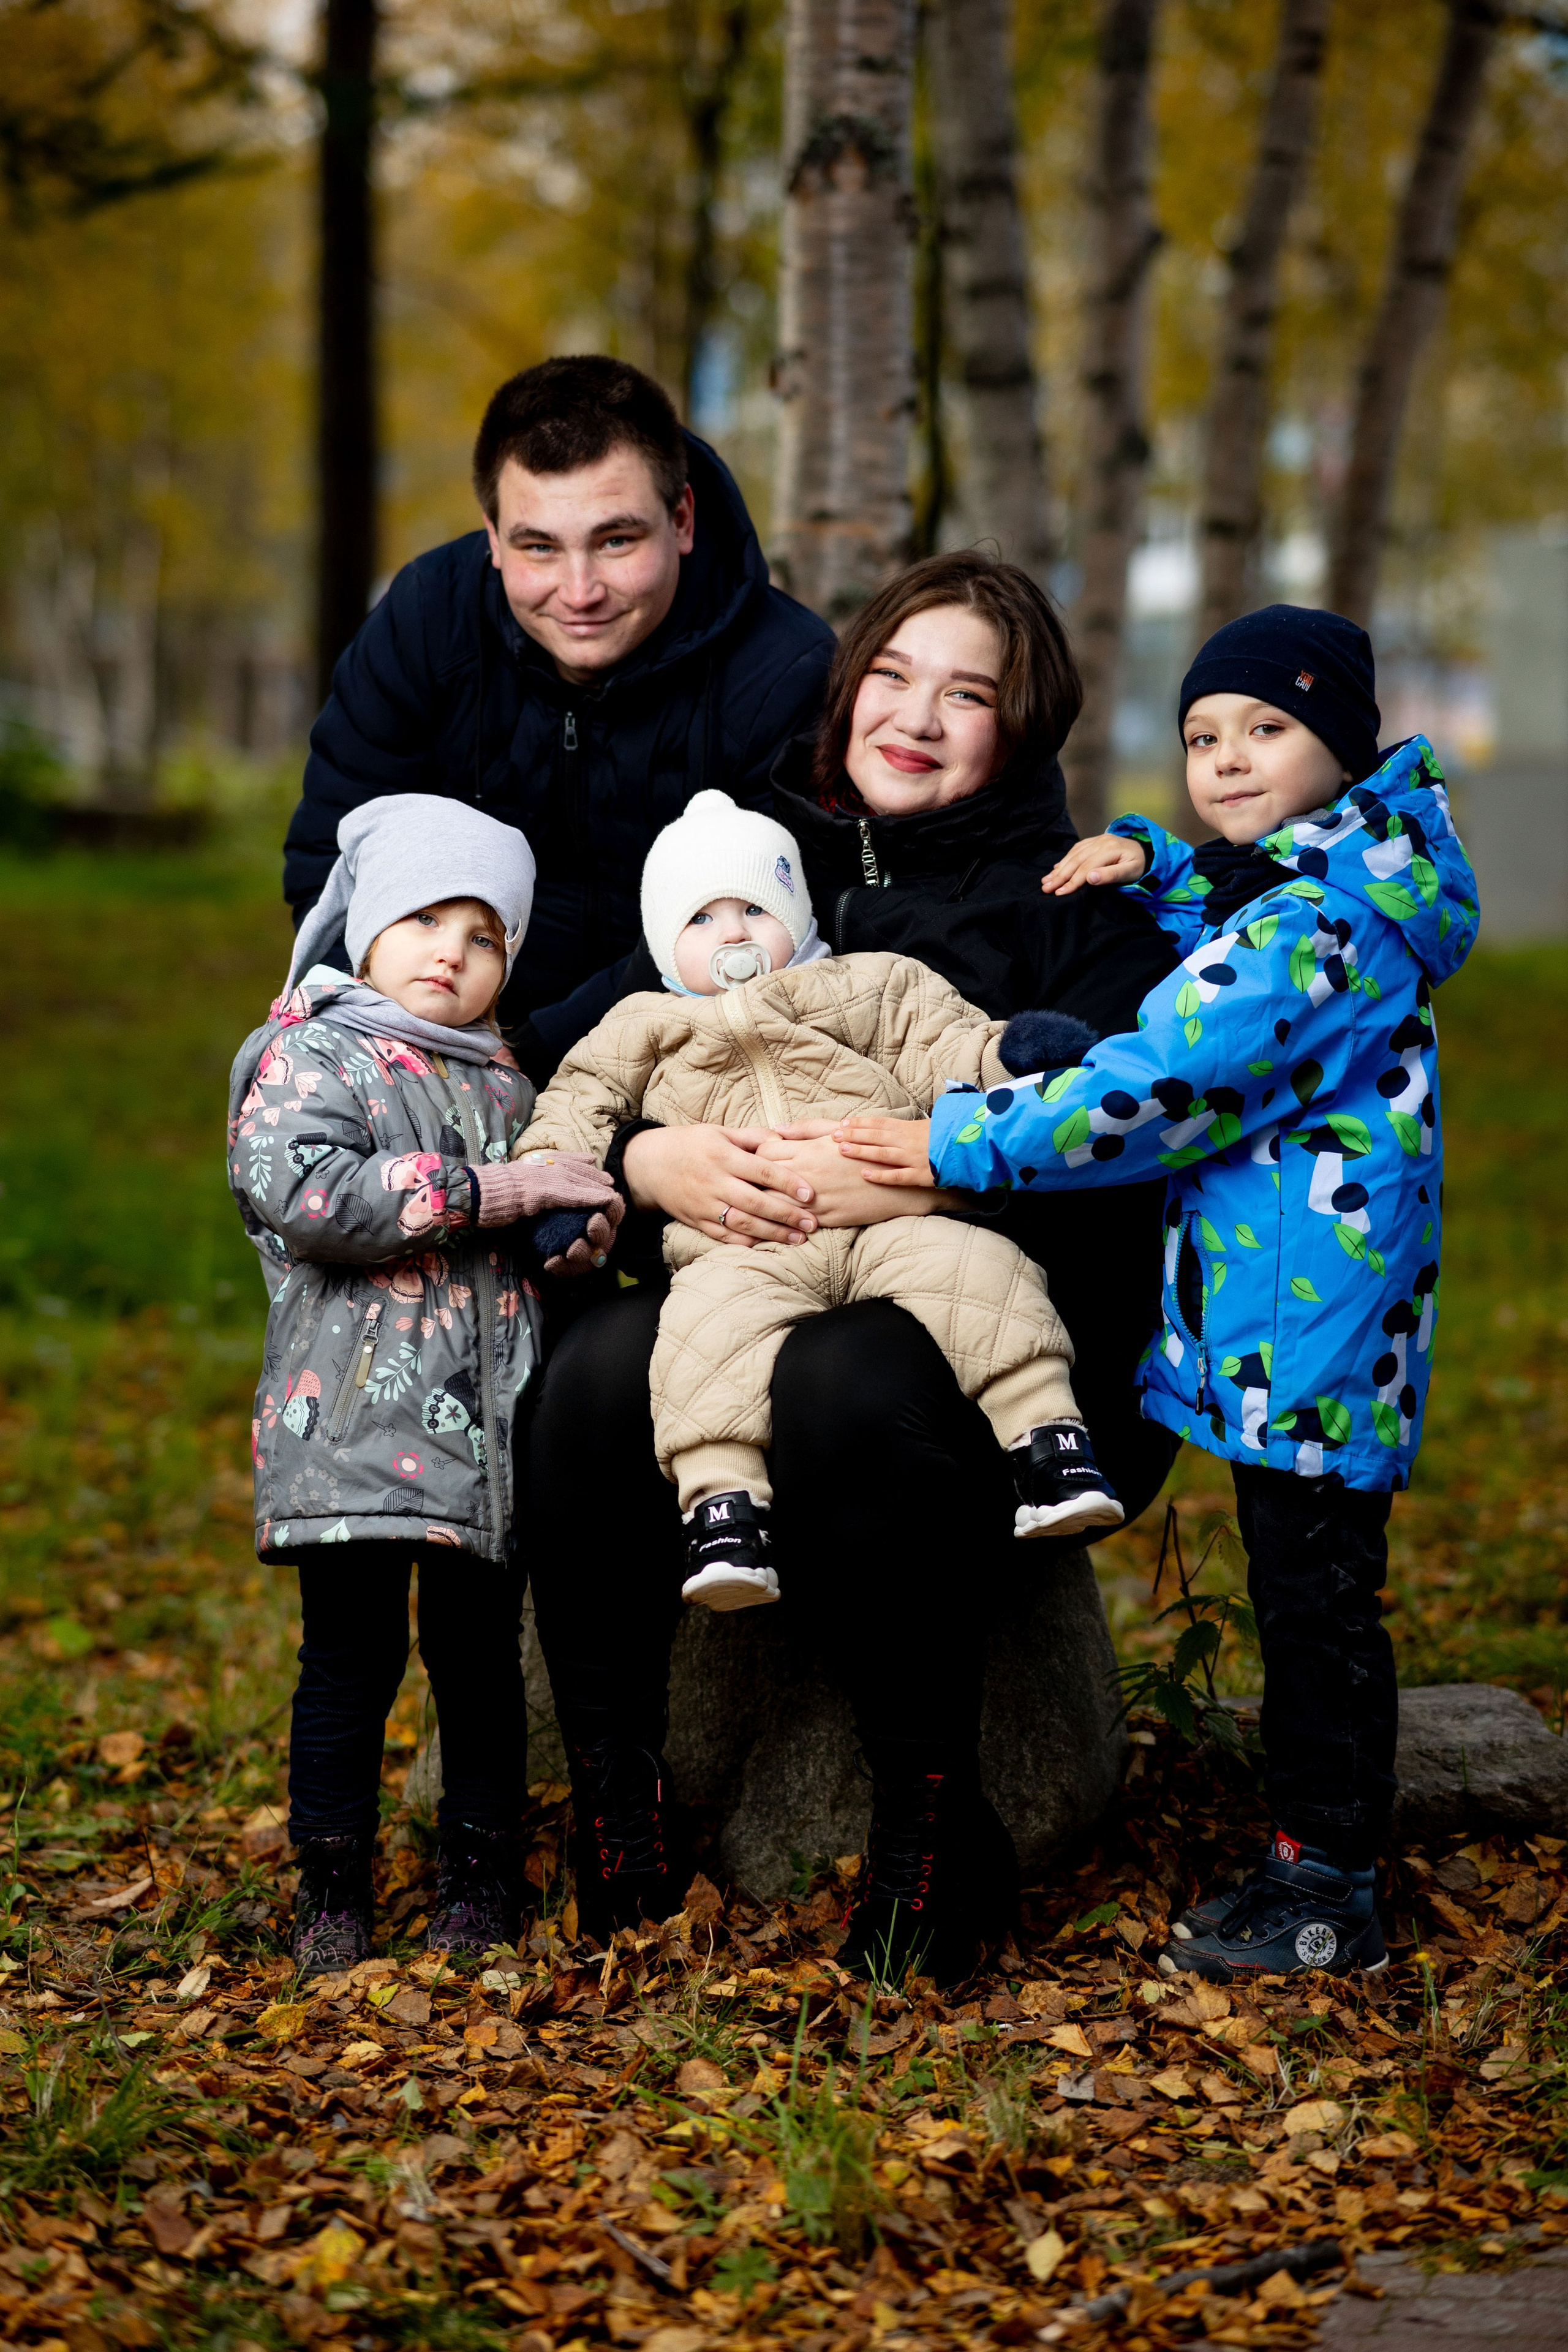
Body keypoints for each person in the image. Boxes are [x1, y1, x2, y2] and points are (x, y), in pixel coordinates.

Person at [522, 553, 1180, 1985]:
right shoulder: (765, 868)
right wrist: (645, 1164)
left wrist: (939, 1154)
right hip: (750, 1275)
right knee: (582, 1377)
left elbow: (1136, 1138)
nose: (915, 716)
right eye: (889, 674)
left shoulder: (1070, 905)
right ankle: (620, 1807)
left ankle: (931, 1828)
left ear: (1025, 727)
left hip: (1016, 1342)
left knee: (838, 1373)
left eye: (968, 694)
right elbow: (575, 1056)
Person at [834, 605, 1481, 1983]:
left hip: (1298, 1333)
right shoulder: (1340, 889)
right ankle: (1318, 1861)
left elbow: (1158, 1084)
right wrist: (1160, 861)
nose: (1227, 758)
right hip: (1300, 1317)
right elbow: (1235, 912)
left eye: (1267, 730)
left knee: (1313, 1609)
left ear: (1344, 749)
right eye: (1202, 736)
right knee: (1308, 1591)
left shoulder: (1310, 932)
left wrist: (954, 1139)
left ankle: (1325, 1887)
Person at [517, 788, 1123, 1613]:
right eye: (701, 920)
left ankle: (1049, 1439)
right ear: (664, 945)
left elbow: (944, 1040)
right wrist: (562, 1192)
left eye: (754, 910)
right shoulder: (642, 1025)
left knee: (980, 1270)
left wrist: (1011, 1053)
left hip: (893, 1220)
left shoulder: (864, 984)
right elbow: (572, 1107)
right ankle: (723, 1510)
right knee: (701, 1335)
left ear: (796, 916)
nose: (732, 933)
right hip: (742, 1249)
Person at [228, 796, 624, 1975]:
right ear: (362, 927)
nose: (451, 951)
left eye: (484, 933)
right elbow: (308, 1194)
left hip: (489, 1445)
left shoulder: (509, 1079)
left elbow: (517, 1245)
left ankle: (479, 1875)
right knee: (348, 1664)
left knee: (480, 1666)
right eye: (422, 919)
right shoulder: (307, 1051)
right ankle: (331, 1888)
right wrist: (494, 1194)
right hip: (347, 1429)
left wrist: (566, 1240)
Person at [283, 355, 835, 1079]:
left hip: (699, 1060)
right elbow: (338, 869)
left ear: (682, 519)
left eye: (615, 541)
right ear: (492, 536)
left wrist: (539, 1064)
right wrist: (410, 1056)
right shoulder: (424, 625)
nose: (579, 592)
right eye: (538, 547)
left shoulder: (786, 671)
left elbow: (792, 919)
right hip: (438, 1054)